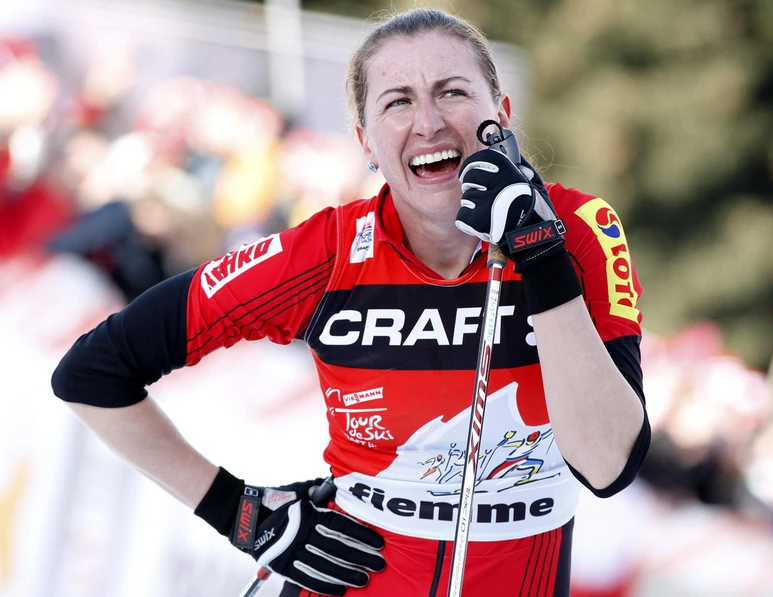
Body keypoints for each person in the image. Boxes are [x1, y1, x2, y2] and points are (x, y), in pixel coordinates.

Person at [51, 8, 650, 597]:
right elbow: (92, 372)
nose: (429, 123)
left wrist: (540, 255)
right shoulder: (330, 253)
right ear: (366, 143)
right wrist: (238, 512)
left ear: (502, 114)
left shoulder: (579, 230)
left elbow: (608, 465)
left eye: (453, 92)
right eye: (397, 102)